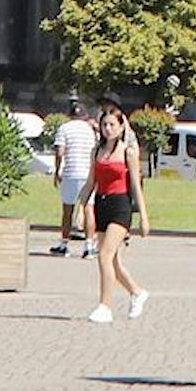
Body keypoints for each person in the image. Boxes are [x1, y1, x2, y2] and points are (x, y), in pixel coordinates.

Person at [75, 100, 149, 324]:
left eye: (112, 125)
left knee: (104, 255)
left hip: (120, 205)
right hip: (101, 204)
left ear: (121, 126)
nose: (108, 129)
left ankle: (105, 306)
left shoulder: (128, 152)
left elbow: (136, 184)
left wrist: (144, 217)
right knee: (113, 262)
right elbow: (90, 183)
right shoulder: (97, 151)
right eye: (105, 125)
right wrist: (80, 209)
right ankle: (137, 292)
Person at [50, 105, 97, 258]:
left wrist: (57, 170)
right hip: (87, 173)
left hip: (71, 172)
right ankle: (88, 245)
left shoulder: (64, 128)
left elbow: (60, 151)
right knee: (89, 209)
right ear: (84, 115)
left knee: (67, 210)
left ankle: (64, 244)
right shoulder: (89, 130)